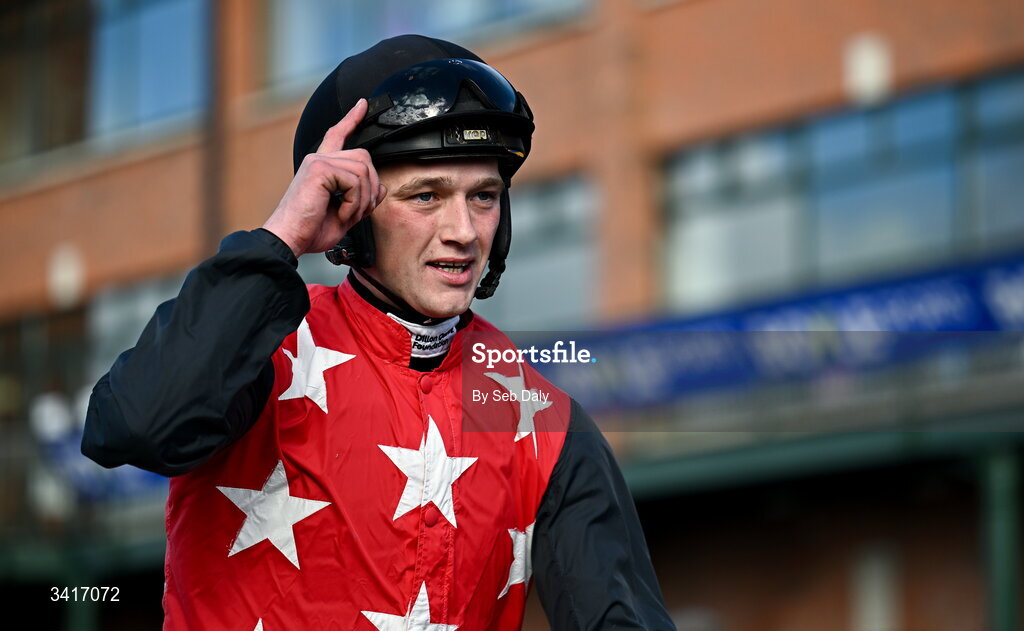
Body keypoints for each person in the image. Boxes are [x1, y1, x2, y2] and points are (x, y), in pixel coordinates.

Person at [82, 34, 675, 630]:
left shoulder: (544, 421)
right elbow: (129, 426)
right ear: (351, 212)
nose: (464, 231)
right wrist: (282, 236)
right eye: (427, 196)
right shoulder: (265, 351)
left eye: (485, 197)